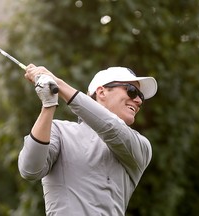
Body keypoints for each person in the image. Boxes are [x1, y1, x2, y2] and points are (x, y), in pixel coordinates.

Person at [18, 64, 158, 216]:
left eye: (141, 96)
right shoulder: (59, 130)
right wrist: (48, 105)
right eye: (132, 91)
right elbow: (29, 169)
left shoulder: (141, 145)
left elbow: (111, 127)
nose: (139, 101)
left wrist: (58, 83)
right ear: (101, 92)